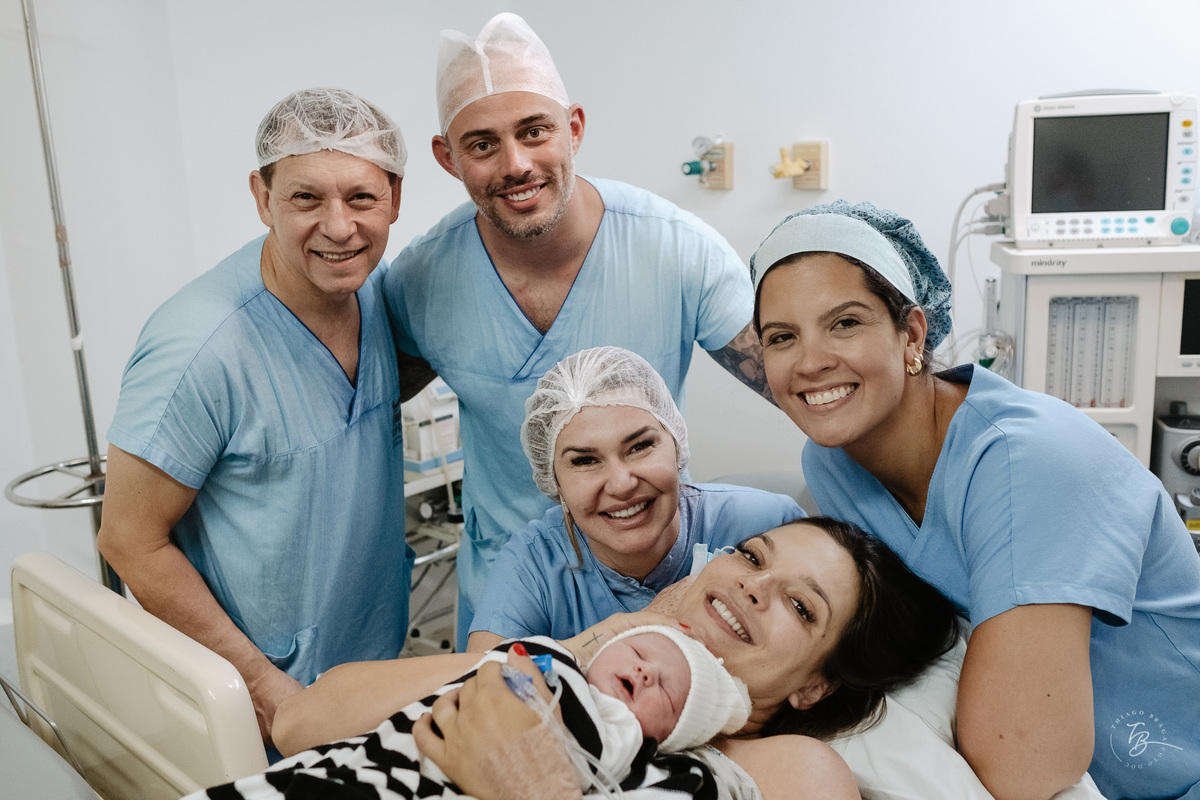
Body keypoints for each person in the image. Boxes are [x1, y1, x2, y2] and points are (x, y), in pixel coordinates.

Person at [750, 200, 1200, 800]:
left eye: (846, 323)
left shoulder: (1029, 461)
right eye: (782, 337)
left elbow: (1026, 762)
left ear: (911, 333)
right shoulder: (832, 465)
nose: (810, 362)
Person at [384, 13, 771, 646]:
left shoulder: (675, 251)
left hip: (655, 578)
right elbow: (358, 405)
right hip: (508, 595)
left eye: (535, 131)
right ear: (447, 158)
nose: (516, 164)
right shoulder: (424, 281)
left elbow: (802, 389)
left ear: (574, 128)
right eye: (481, 144)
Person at [97, 87, 412, 745]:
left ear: (395, 200)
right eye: (305, 197)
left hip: (368, 668)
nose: (338, 225)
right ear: (262, 197)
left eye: (361, 197)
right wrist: (262, 686)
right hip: (252, 698)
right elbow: (128, 539)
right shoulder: (200, 348)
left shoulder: (375, 296)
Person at [272, 517, 962, 800]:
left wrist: (540, 788)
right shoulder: (566, 671)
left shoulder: (787, 772)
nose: (753, 583)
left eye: (801, 606)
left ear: (815, 686)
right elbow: (300, 723)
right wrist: (586, 647)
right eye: (751, 555)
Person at [467, 346, 803, 651]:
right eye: (585, 461)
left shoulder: (768, 524)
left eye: (640, 447)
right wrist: (623, 632)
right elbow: (476, 682)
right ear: (555, 484)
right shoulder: (534, 566)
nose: (621, 484)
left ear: (676, 446)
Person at [191, 626, 753, 800]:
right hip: (371, 764)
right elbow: (297, 724)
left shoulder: (678, 776)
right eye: (639, 651)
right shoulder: (551, 662)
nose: (648, 672)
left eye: (670, 693)